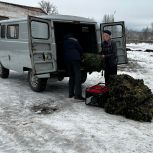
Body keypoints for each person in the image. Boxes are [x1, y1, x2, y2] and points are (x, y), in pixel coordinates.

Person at [63, 34, 85, 101]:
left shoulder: (65, 41)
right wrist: (82, 56)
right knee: (78, 77)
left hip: (67, 60)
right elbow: (80, 49)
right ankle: (78, 95)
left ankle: (71, 94)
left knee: (71, 76)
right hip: (75, 59)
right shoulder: (75, 40)